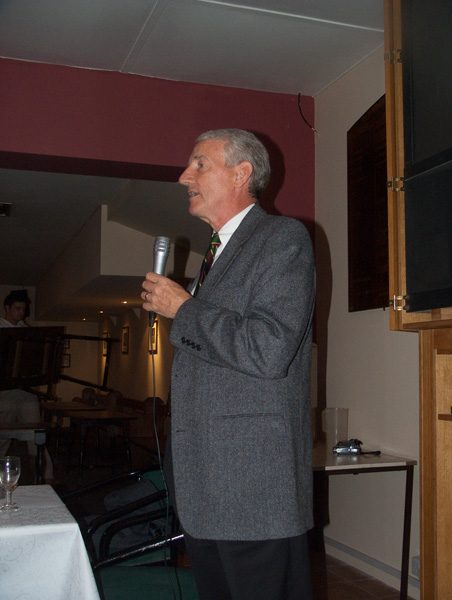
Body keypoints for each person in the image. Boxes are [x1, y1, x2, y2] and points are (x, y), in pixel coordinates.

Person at [141, 129, 315, 600]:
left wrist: (184, 309)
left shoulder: (281, 238)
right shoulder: (215, 255)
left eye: (200, 164)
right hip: (205, 484)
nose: (184, 176)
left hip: (252, 487)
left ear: (242, 174)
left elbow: (269, 349)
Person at [0, 290, 53, 480]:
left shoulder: (27, 330)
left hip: (26, 392)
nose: (21, 313)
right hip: (5, 393)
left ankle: (46, 479)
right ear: (7, 308)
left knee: (36, 437)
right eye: (17, 308)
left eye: (23, 309)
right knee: (2, 438)